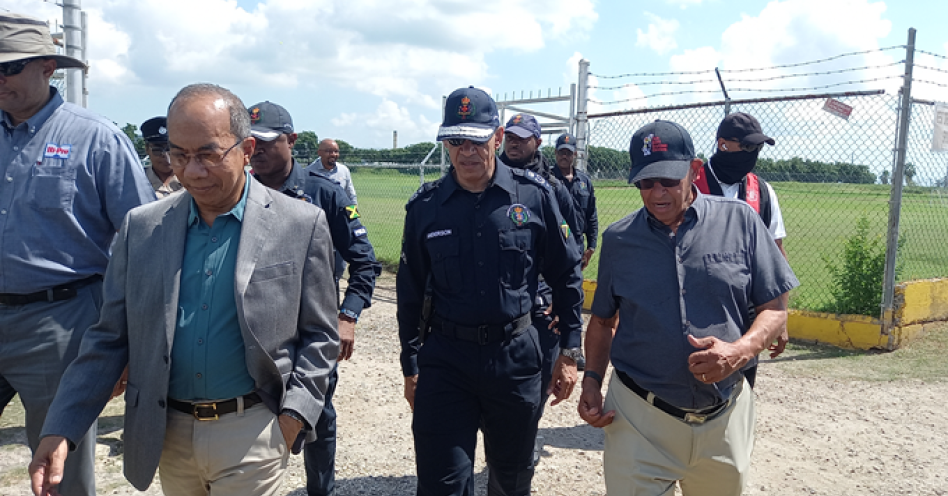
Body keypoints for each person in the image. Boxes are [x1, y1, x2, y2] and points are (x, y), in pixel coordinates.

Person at [28, 84, 340, 496]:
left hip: (253, 430)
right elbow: (107, 339)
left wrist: (293, 417)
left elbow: (320, 335)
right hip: (168, 434)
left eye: (209, 154)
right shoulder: (141, 229)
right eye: (179, 155)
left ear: (245, 149)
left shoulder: (300, 224)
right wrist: (61, 429)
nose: (192, 171)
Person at [578, 120, 799, 496]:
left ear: (694, 170)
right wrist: (592, 379)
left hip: (724, 417)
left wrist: (739, 351)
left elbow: (775, 306)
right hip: (639, 418)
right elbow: (602, 321)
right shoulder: (619, 239)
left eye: (668, 180)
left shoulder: (740, 221)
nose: (657, 192)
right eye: (646, 183)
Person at [398, 86, 584, 496]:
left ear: (497, 138)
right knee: (441, 483)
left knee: (512, 479)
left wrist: (570, 351)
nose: (467, 152)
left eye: (477, 140)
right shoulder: (426, 207)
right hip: (447, 359)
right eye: (456, 141)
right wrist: (411, 363)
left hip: (514, 358)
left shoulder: (534, 196)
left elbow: (567, 271)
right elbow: (409, 291)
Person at [0, 13, 155, 496]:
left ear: (48, 67)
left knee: (59, 466)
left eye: (8, 67)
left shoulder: (96, 139)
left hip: (61, 321)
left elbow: (143, 243)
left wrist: (132, 341)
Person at [247, 100, 381, 496]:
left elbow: (365, 262)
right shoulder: (238, 192)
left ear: (292, 140)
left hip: (310, 331)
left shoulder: (325, 194)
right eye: (250, 142)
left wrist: (348, 316)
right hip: (252, 330)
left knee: (317, 419)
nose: (258, 151)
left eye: (268, 142)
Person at [499, 113, 584, 466]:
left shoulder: (552, 188)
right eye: (510, 138)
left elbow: (569, 248)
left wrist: (557, 301)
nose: (514, 144)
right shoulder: (489, 178)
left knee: (535, 382)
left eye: (523, 138)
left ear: (537, 142)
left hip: (541, 306)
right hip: (502, 297)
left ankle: (525, 440)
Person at [695, 112, 790, 383]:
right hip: (698, 303)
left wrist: (780, 317)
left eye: (757, 148)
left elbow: (776, 257)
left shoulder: (762, 191)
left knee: (743, 383)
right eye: (747, 147)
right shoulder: (691, 185)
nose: (753, 154)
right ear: (723, 145)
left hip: (746, 308)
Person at [306, 138, 356, 283]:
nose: (333, 154)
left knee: (339, 265)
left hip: (339, 224)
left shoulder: (343, 171)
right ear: (319, 152)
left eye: (336, 151)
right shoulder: (309, 172)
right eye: (329, 151)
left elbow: (350, 196)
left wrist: (353, 218)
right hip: (318, 226)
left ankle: (334, 293)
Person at [552, 132, 598, 270]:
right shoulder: (547, 178)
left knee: (573, 286)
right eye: (561, 152)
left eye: (568, 152)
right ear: (555, 153)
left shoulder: (584, 181)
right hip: (553, 242)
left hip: (577, 243)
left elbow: (591, 215)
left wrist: (591, 245)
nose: (564, 156)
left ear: (575, 154)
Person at [141, 116, 183, 198]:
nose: (165, 155)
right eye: (157, 150)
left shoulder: (191, 180)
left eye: (170, 149)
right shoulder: (138, 181)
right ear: (147, 149)